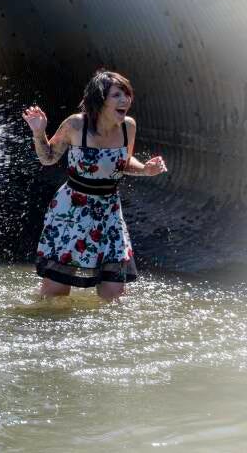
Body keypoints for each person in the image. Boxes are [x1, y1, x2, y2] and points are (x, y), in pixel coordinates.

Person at [22, 70, 168, 301]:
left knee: (114, 294)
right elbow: (48, 158)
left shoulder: (127, 127)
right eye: (117, 95)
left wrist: (145, 169)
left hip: (109, 212)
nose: (125, 100)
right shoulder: (76, 125)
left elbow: (123, 162)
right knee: (55, 294)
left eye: (127, 94)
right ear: (100, 99)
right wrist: (39, 132)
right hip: (71, 211)